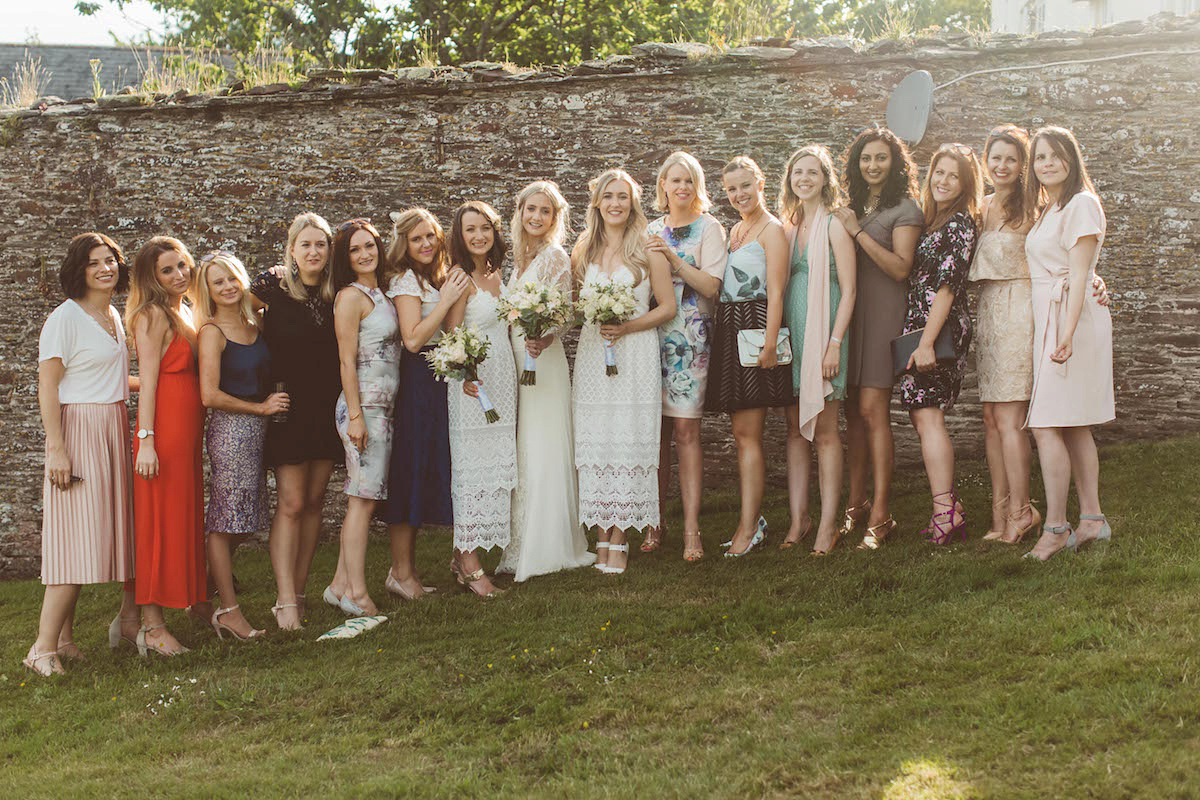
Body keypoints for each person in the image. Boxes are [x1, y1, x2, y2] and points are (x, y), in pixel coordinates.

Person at [23, 233, 138, 676]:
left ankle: (66, 641)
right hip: (79, 430)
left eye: (110, 260)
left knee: (89, 537)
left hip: (111, 425)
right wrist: (57, 449)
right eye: (94, 263)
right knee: (71, 544)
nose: (105, 268)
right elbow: (48, 386)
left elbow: (106, 376)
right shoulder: (64, 318)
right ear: (79, 270)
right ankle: (42, 649)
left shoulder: (111, 314)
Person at [572, 168, 675, 574]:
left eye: (623, 196)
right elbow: (578, 306)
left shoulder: (649, 247)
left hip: (635, 353)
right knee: (598, 438)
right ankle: (601, 530)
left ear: (633, 202)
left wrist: (628, 326)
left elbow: (666, 307)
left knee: (628, 437)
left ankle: (621, 535)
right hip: (595, 353)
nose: (616, 203)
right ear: (597, 201)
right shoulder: (583, 249)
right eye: (608, 196)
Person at [492, 181, 596, 581]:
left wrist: (547, 334)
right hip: (517, 357)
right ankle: (519, 542)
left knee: (543, 443)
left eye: (545, 211)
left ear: (555, 218)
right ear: (519, 212)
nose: (536, 217)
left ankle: (549, 545)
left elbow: (567, 313)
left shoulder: (553, 256)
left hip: (543, 358)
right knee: (523, 445)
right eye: (530, 209)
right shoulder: (517, 259)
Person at [1022, 126, 1114, 561]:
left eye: (1056, 155)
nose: (1047, 163)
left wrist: (1066, 334)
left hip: (1071, 322)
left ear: (1071, 159)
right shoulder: (1049, 207)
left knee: (1046, 424)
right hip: (1051, 319)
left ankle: (1057, 527)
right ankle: (1093, 519)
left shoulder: (1081, 203)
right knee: (1073, 422)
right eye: (1040, 157)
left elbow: (1079, 275)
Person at [833, 128, 924, 550]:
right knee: (851, 413)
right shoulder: (851, 206)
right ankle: (856, 504)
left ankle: (884, 512)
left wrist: (857, 233)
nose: (873, 165)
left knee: (873, 410)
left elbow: (901, 268)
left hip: (885, 313)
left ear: (896, 163)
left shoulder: (905, 208)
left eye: (881, 158)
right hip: (851, 315)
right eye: (866, 158)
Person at [251, 212, 341, 630]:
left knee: (313, 503)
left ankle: (300, 592)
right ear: (291, 250)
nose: (313, 251)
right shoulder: (269, 290)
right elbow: (230, 320)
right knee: (289, 502)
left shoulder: (335, 293)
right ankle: (284, 600)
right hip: (288, 407)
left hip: (327, 408)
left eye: (320, 244)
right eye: (305, 244)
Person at [194, 250, 285, 640]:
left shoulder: (256, 322)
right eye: (219, 282)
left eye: (233, 278)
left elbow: (277, 288)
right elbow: (209, 395)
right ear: (208, 291)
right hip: (231, 432)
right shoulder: (212, 332)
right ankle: (228, 611)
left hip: (258, 432)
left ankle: (201, 593)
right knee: (225, 519)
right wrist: (260, 408)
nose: (228, 287)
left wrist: (280, 272)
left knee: (245, 520)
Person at [705, 156, 792, 556]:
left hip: (756, 329)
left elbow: (776, 291)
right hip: (730, 327)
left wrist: (771, 342)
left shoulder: (772, 231)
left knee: (749, 434)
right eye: (730, 189)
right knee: (740, 433)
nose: (738, 195)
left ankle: (749, 528)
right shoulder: (737, 230)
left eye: (745, 186)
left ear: (761, 182)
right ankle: (751, 520)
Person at [381, 208, 469, 597]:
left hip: (441, 376)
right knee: (410, 468)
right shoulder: (405, 280)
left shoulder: (436, 277)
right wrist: (447, 298)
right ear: (404, 243)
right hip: (418, 377)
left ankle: (419, 569)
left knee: (435, 467)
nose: (426, 244)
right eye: (417, 238)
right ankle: (400, 572)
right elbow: (414, 339)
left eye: (431, 236)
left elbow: (450, 330)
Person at [645, 151, 727, 561]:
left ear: (697, 186)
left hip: (690, 340)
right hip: (650, 337)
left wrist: (675, 259)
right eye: (674, 180)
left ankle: (692, 529)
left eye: (689, 181)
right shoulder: (650, 229)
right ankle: (653, 523)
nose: (681, 188)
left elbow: (712, 287)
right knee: (654, 435)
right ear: (662, 185)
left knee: (685, 433)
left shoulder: (709, 228)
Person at [898, 144, 981, 544]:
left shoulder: (960, 224)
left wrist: (928, 342)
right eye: (939, 172)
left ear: (965, 184)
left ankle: (944, 513)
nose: (943, 181)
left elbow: (948, 287)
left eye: (954, 175)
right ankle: (952, 509)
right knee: (922, 415)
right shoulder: (932, 220)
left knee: (929, 415)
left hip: (940, 329)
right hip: (921, 328)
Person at [127, 236, 206, 656]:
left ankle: (151, 616)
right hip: (164, 432)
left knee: (180, 519)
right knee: (158, 523)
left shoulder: (187, 309)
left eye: (182, 266)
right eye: (167, 270)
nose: (179, 275)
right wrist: (146, 442)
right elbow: (149, 383)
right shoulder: (152, 315)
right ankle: (152, 626)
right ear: (151, 278)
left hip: (187, 429)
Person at [777, 145, 857, 555]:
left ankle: (829, 524)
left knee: (825, 433)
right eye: (797, 172)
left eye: (812, 172)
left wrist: (833, 345)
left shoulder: (835, 226)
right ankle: (798, 520)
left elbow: (849, 290)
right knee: (794, 431)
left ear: (825, 179)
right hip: (792, 337)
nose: (804, 178)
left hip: (825, 337)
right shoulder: (788, 228)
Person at [327, 219, 401, 614]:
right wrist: (356, 416)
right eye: (355, 250)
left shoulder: (381, 293)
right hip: (363, 410)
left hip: (382, 409)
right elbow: (345, 360)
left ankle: (340, 584)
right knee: (361, 501)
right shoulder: (350, 297)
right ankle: (356, 594)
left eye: (369, 245)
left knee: (365, 499)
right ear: (346, 258)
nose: (364, 254)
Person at [445, 201, 517, 597]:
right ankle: (471, 564)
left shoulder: (498, 274)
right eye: (470, 229)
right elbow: (451, 336)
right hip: (474, 385)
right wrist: (465, 375)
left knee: (496, 464)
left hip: (504, 377)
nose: (478, 236)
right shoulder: (459, 278)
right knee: (472, 471)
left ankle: (462, 554)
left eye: (485, 228)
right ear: (459, 236)